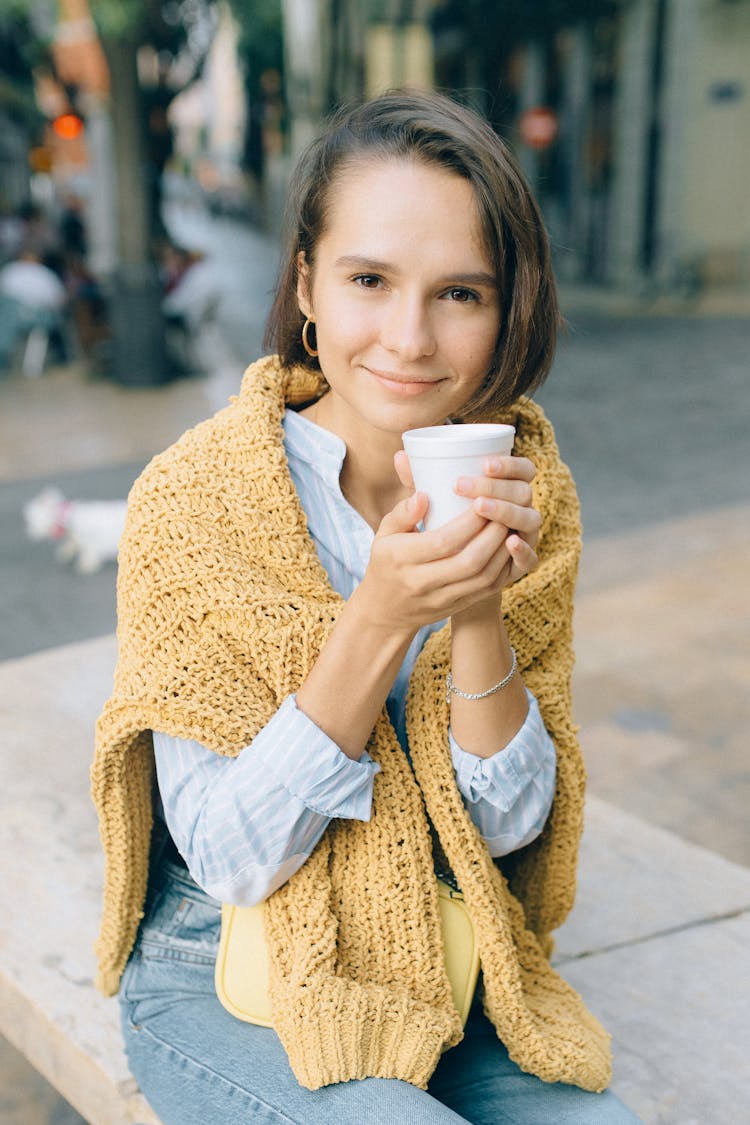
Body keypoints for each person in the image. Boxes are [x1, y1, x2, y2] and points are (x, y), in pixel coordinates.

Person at [92, 91, 642, 1124]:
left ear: (508, 305)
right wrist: (382, 615)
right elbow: (229, 856)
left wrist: (477, 605)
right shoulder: (195, 500)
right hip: (224, 972)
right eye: (369, 280)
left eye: (460, 294)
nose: (409, 338)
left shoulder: (531, 488)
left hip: (445, 958)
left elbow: (511, 827)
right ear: (306, 281)